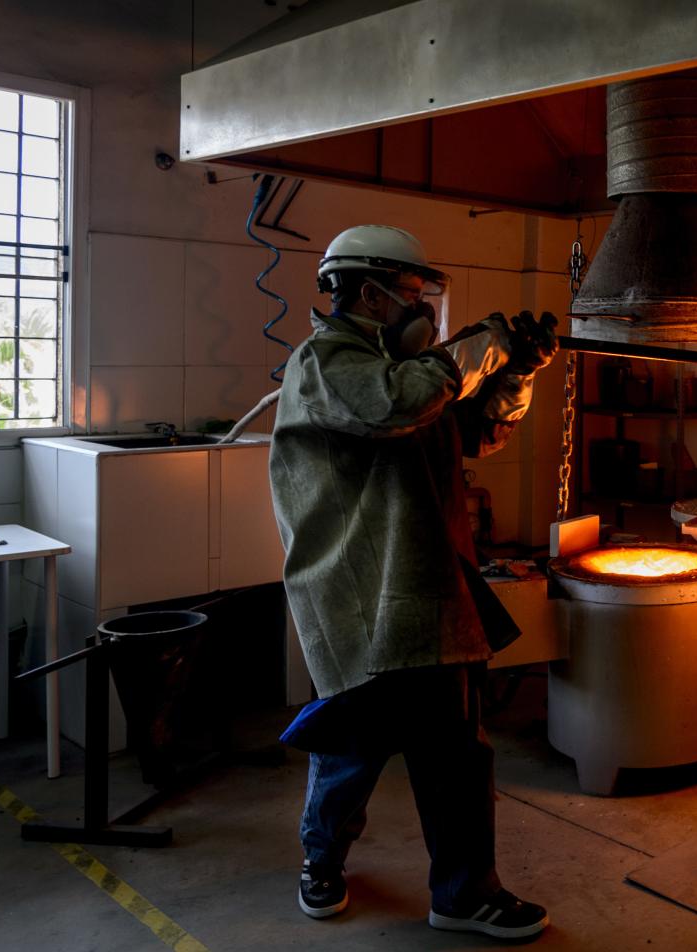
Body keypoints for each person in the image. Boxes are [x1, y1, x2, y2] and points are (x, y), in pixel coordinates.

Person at [269, 224, 558, 939]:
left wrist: (515, 372)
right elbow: (391, 406)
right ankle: (321, 860)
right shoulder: (325, 364)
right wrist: (482, 346)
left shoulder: (412, 370)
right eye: (411, 291)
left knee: (457, 755)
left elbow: (474, 431)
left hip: (428, 588)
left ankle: (464, 894)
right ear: (368, 293)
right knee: (352, 748)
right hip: (361, 600)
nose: (421, 306)